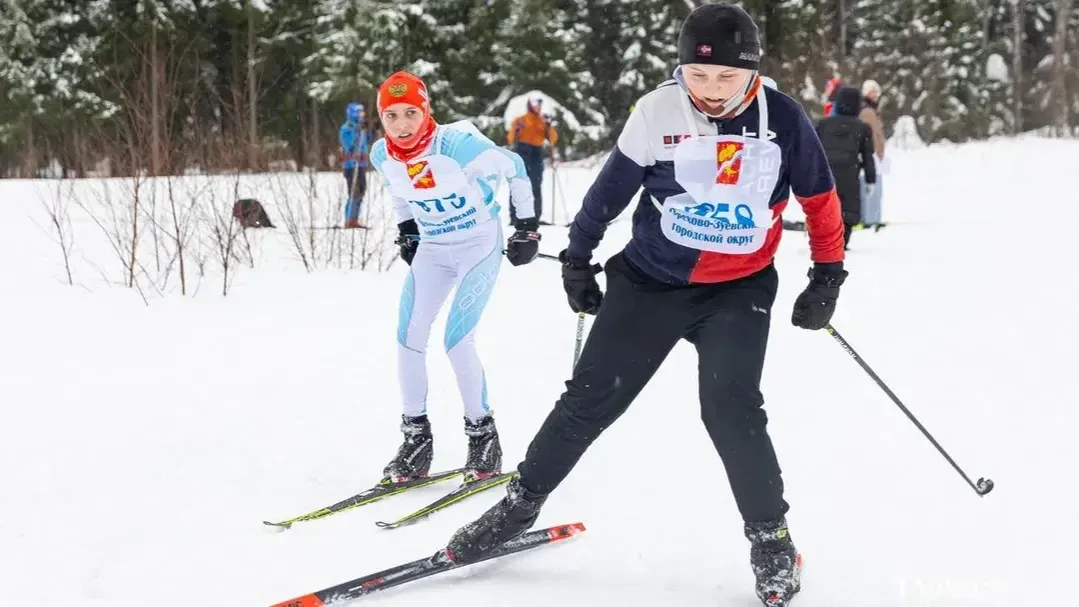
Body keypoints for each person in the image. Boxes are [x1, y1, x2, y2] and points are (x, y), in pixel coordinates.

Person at [446, 4, 847, 606]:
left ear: (753, 73)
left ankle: (772, 541)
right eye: (698, 76)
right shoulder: (658, 110)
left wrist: (827, 277)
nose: (710, 91)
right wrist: (578, 258)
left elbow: (820, 200)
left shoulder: (783, 119)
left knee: (730, 409)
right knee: (589, 399)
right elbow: (609, 191)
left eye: (726, 79)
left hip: (738, 289)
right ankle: (518, 506)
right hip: (651, 281)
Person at [368, 71, 542, 483]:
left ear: (426, 110)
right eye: (391, 116)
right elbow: (399, 188)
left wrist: (527, 227)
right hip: (433, 249)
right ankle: (416, 441)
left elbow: (515, 166)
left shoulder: (457, 146)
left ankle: (483, 437)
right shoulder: (382, 154)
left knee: (456, 340)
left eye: (411, 112)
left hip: (477, 245)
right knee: (408, 338)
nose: (402, 125)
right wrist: (408, 228)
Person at [815, 85, 876, 249]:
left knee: (824, 207)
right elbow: (868, 156)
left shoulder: (822, 124)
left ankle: (823, 242)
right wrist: (871, 179)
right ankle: (842, 242)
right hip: (850, 174)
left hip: (824, 174)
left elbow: (811, 149)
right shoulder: (862, 128)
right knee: (847, 208)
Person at [506, 96, 558, 225]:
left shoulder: (543, 121)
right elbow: (511, 138)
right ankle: (515, 217)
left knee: (536, 185)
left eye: (540, 104)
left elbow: (553, 139)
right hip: (522, 152)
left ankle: (535, 217)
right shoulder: (520, 120)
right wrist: (517, 130)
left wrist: (548, 126)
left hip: (536, 153)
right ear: (529, 105)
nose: (538, 107)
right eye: (535, 104)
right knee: (518, 184)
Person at [859, 79, 887, 231]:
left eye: (876, 92)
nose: (875, 95)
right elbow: (872, 134)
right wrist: (876, 150)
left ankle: (871, 216)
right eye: (872, 92)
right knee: (871, 186)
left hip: (874, 155)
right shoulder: (867, 111)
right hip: (872, 155)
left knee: (872, 186)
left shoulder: (872, 109)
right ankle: (871, 217)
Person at [339, 102, 372, 228]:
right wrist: (357, 130)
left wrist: (372, 129)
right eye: (360, 112)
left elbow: (367, 142)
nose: (362, 115)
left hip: (362, 164)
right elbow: (349, 145)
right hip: (351, 165)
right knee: (354, 192)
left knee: (362, 190)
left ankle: (355, 218)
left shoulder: (361, 127)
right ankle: (349, 219)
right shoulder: (346, 128)